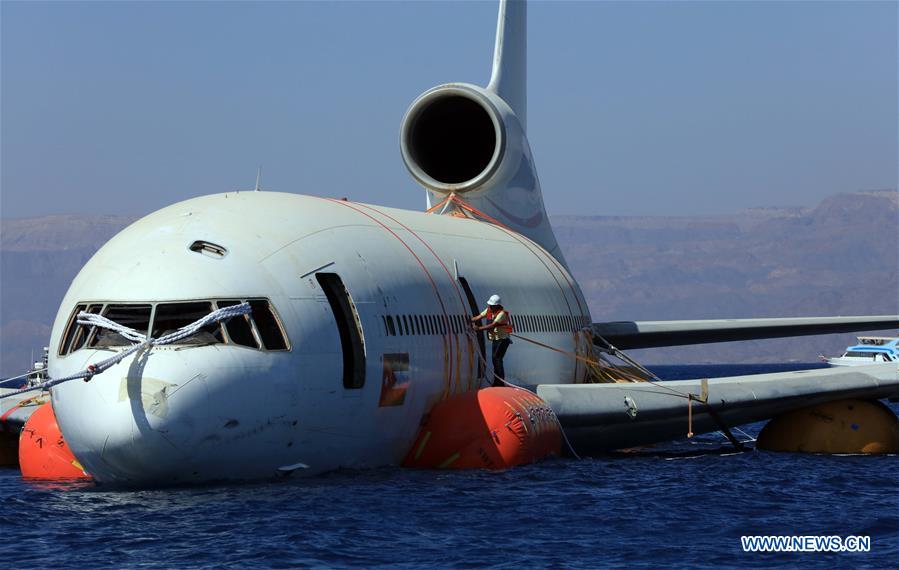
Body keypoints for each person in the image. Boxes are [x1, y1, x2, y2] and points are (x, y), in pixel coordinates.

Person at [471, 294, 513, 387]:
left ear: (497, 306)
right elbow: (478, 317)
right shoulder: (489, 310)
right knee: (495, 359)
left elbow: (492, 325)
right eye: (490, 305)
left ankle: (500, 382)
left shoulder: (502, 314)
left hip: (503, 339)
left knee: (497, 359)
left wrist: (479, 328)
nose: (490, 306)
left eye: (492, 305)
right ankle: (497, 381)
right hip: (496, 339)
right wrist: (469, 320)